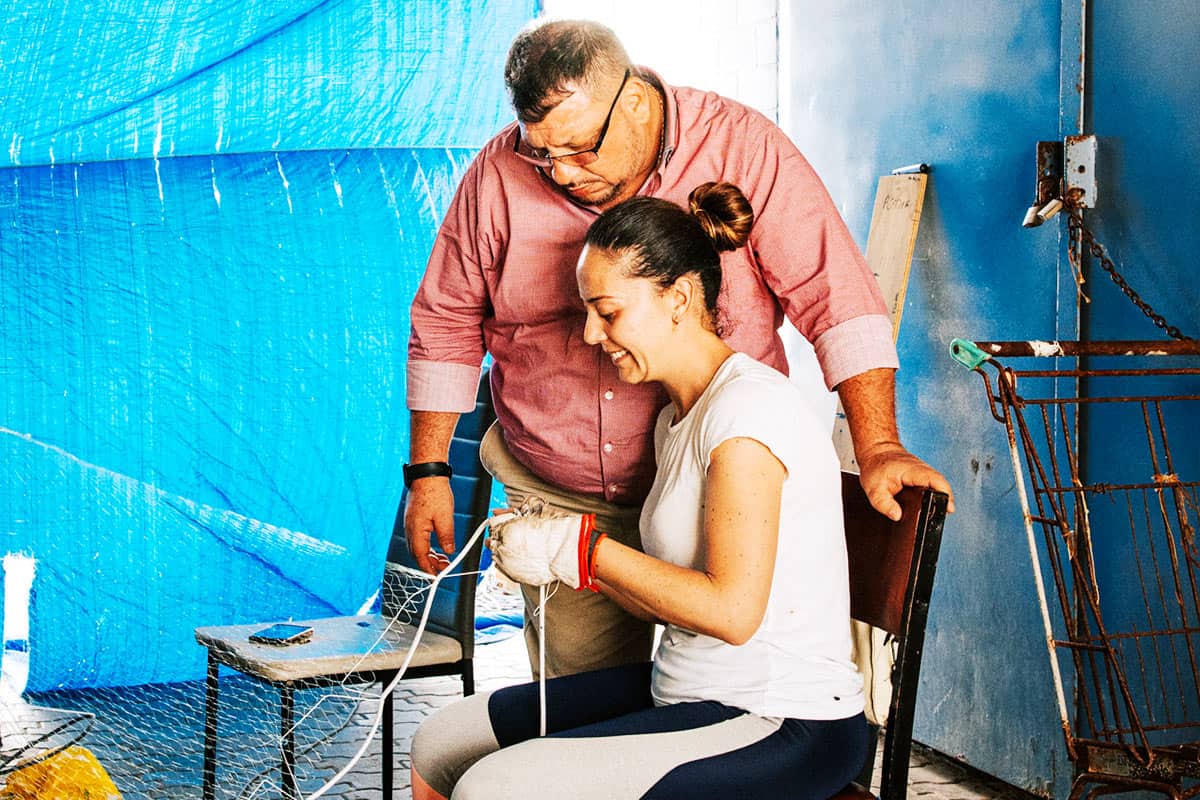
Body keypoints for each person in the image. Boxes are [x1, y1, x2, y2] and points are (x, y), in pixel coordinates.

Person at [405, 18, 953, 678]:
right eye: (543, 154)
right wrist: (429, 472)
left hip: (719, 493)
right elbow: (444, 324)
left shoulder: (742, 147)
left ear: (634, 99)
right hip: (566, 495)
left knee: (717, 691)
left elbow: (835, 294)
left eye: (580, 149)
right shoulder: (496, 177)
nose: (564, 173)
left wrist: (879, 445)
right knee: (587, 723)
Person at [410, 183, 869, 800]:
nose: (593, 336)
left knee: (495, 787)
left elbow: (732, 614)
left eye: (609, 311)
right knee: (442, 741)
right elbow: (669, 599)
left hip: (779, 717)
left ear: (678, 298)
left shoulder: (748, 414)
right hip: (681, 689)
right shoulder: (673, 418)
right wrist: (553, 561)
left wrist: (581, 550)